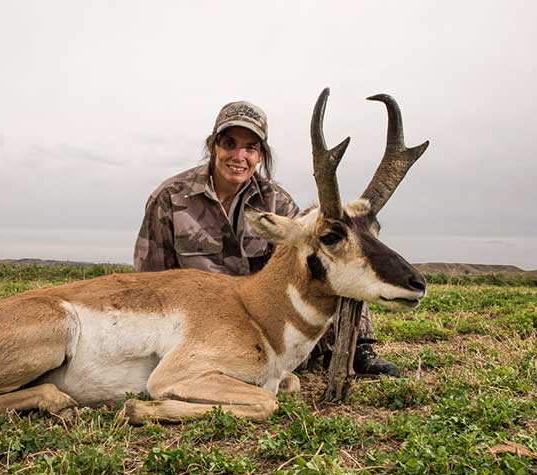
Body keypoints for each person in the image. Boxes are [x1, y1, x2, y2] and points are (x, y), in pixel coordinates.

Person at [133, 100, 398, 377]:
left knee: (337, 248)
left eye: (251, 148)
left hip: (261, 323)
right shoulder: (169, 197)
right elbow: (150, 277)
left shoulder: (277, 203)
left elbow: (322, 261)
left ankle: (358, 348)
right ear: (213, 146)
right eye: (229, 144)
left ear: (260, 156)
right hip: (195, 323)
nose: (239, 156)